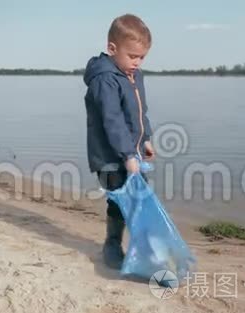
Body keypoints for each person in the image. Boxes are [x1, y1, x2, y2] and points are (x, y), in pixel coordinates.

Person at [83, 14, 156, 270]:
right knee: (119, 202)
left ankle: (141, 248)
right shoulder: (105, 79)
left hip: (130, 154)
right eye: (132, 56)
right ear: (112, 48)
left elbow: (139, 112)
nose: (137, 62)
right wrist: (127, 155)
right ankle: (112, 246)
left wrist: (145, 139)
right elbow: (112, 120)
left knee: (140, 199)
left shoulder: (133, 75)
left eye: (142, 57)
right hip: (109, 157)